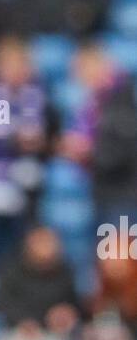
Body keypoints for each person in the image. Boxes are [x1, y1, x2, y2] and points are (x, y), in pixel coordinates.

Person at [0, 36, 56, 261]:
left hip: (31, 180)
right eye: (7, 65)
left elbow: (55, 139)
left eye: (18, 64)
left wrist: (38, 143)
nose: (13, 71)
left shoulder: (42, 97)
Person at [59, 43, 137, 226]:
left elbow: (125, 149)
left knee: (118, 251)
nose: (79, 77)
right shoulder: (96, 102)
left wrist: (88, 152)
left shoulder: (124, 98)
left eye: (81, 69)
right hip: (105, 191)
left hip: (124, 194)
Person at [0, 225, 83, 340]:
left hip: (52, 335)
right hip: (16, 331)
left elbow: (73, 305)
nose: (46, 247)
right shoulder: (12, 272)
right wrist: (23, 322)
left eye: (49, 242)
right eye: (40, 242)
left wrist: (66, 314)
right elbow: (2, 303)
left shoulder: (66, 273)